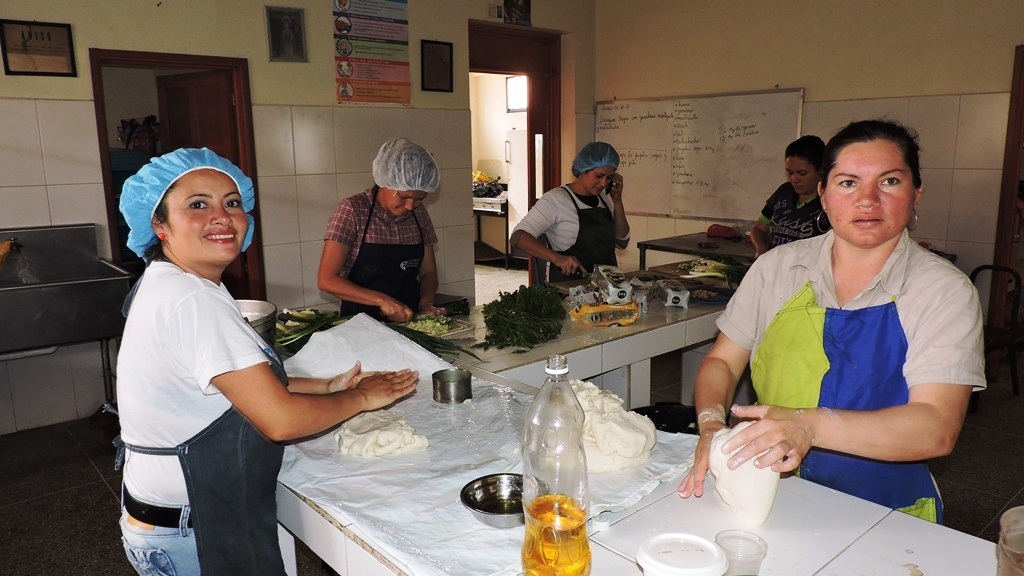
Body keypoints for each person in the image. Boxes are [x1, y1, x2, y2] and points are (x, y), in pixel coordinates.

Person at [115, 148, 419, 575]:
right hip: (195, 530)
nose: (222, 216)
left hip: (177, 516)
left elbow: (235, 383)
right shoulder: (192, 299)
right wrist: (362, 399)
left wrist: (330, 387)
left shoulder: (176, 282)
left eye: (232, 202)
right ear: (158, 224)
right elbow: (282, 420)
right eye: (198, 205)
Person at [677, 120, 985, 524]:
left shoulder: (943, 291)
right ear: (823, 194)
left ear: (916, 193)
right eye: (847, 183)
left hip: (885, 509)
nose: (868, 200)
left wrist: (807, 426)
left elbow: (936, 425)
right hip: (770, 490)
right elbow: (724, 360)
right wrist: (711, 427)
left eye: (889, 181)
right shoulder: (776, 269)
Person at [318, 138, 443, 323]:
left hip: (408, 321)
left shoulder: (419, 214)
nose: (410, 206)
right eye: (404, 196)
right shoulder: (353, 209)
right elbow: (327, 279)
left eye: (419, 199)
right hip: (359, 323)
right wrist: (382, 300)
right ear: (386, 182)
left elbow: (428, 272)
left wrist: (425, 306)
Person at [510, 141, 630, 283]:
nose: (604, 183)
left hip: (605, 290)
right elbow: (518, 237)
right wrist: (557, 258)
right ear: (584, 169)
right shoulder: (556, 200)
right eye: (599, 176)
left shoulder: (603, 199)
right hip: (568, 290)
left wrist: (617, 202)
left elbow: (622, 243)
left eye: (609, 177)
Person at [750, 135, 828, 258]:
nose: (794, 179)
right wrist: (761, 249)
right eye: (790, 173)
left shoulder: (829, 202)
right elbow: (758, 229)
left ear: (820, 170)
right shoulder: (784, 192)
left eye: (802, 173)